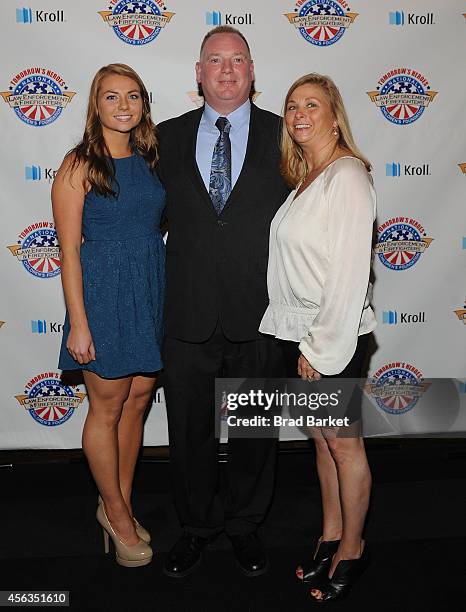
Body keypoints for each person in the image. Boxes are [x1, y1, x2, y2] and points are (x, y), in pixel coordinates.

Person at [156, 26, 290, 578]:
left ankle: (244, 526)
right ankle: (196, 527)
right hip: (186, 315)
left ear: (253, 71)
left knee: (255, 432)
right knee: (188, 432)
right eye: (216, 60)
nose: (228, 70)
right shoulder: (162, 138)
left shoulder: (287, 135)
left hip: (259, 315)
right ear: (198, 72)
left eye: (238, 60)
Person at [259, 73, 376, 602]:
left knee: (344, 445)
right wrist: (299, 338)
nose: (299, 114)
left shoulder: (347, 175)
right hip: (300, 333)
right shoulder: (308, 176)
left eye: (312, 104)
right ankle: (331, 534)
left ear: (334, 116)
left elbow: (350, 274)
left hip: (331, 336)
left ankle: (353, 547)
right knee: (324, 443)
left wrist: (320, 347)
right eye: (291, 107)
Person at [52, 63, 165, 568]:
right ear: (95, 105)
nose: (124, 106)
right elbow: (69, 252)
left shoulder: (148, 157)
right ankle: (117, 516)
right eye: (112, 97)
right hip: (103, 293)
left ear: (143, 105)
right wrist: (79, 321)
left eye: (133, 97)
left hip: (150, 286)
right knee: (107, 405)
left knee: (139, 397)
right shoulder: (78, 165)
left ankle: (116, 500)